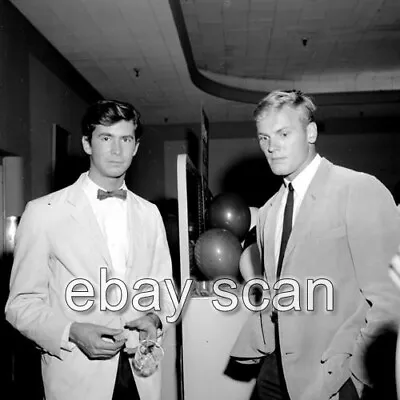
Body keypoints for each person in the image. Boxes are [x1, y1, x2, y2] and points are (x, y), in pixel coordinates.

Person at [230, 90, 400, 399]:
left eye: (283, 133)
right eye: (263, 138)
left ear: (310, 132)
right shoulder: (269, 211)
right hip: (276, 369)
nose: (272, 147)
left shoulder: (358, 189)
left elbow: (390, 300)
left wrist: (355, 374)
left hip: (334, 375)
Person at [5, 99, 175, 400]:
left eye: (126, 139)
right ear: (87, 144)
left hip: (140, 375)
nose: (116, 150)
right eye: (105, 138)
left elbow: (164, 290)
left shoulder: (150, 214)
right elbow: (21, 305)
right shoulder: (43, 213)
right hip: (77, 376)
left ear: (136, 147)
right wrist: (70, 331)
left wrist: (155, 319)